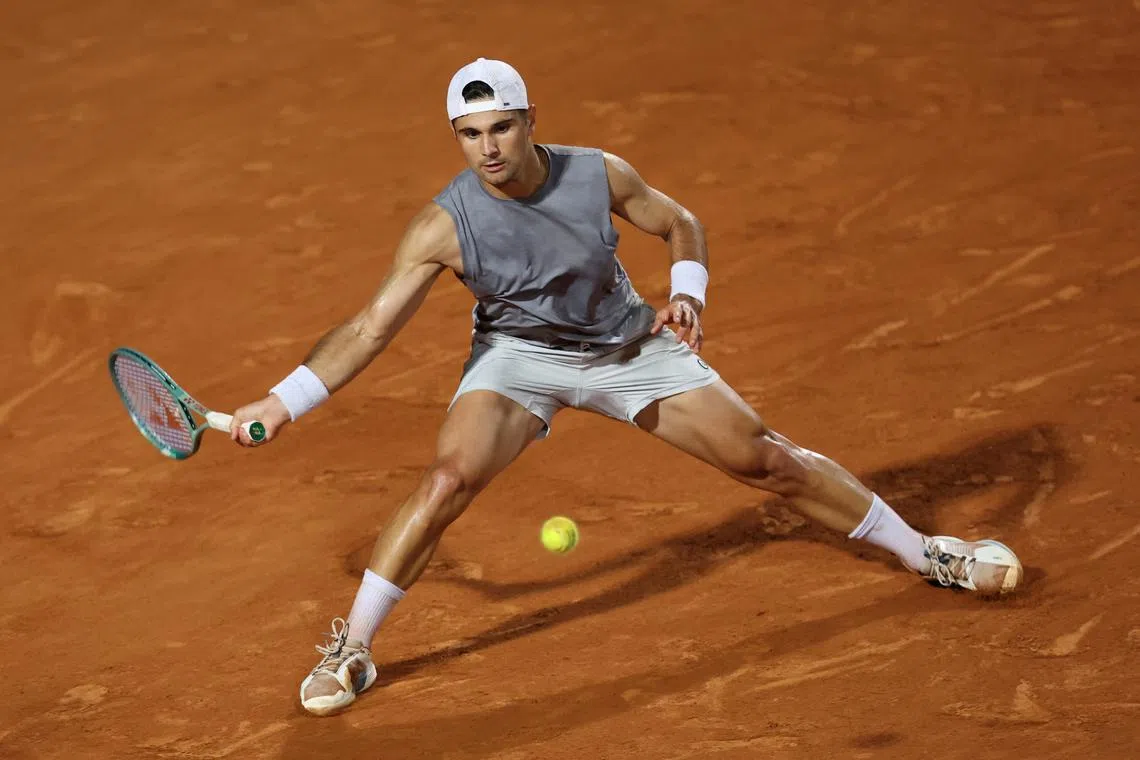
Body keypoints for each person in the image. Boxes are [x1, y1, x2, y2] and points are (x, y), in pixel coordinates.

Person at [228, 58, 1023, 717]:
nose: (487, 149)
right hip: (520, 359)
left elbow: (682, 223)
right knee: (446, 479)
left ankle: (929, 554)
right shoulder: (443, 226)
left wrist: (688, 291)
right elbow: (370, 330)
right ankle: (355, 648)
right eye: (469, 135)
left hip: (627, 346)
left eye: (500, 127)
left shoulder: (596, 173)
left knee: (766, 461)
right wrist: (283, 399)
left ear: (530, 119)